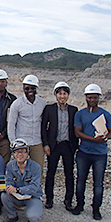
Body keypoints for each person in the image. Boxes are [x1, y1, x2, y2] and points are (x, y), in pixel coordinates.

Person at [72, 84, 111, 220]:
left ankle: (96, 208)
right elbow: (77, 132)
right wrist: (94, 139)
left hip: (100, 154)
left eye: (95, 97)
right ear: (86, 98)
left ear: (98, 98)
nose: (92, 100)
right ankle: (80, 205)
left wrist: (106, 137)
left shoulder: (105, 114)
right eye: (90, 97)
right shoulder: (80, 114)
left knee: (98, 183)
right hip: (84, 152)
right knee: (80, 181)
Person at [41, 82, 78, 211]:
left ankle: (68, 200)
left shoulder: (73, 110)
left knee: (69, 174)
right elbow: (44, 127)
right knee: (51, 173)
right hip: (54, 145)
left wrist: (75, 146)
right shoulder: (49, 109)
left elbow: (76, 129)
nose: (62, 96)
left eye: (64, 93)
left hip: (68, 146)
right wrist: (46, 144)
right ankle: (49, 198)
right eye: (60, 93)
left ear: (68, 95)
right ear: (56, 95)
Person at [1, 139, 43, 222]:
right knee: (4, 196)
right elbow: (9, 181)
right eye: (17, 152)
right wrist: (9, 187)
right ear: (13, 154)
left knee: (34, 219)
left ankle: (33, 210)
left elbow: (34, 187)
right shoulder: (10, 166)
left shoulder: (36, 167)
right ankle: (12, 216)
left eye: (23, 151)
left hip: (32, 197)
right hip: (17, 196)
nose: (20, 154)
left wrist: (17, 189)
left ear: (27, 153)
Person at [8, 74, 46, 170]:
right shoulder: (17, 104)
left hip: (37, 142)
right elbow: (11, 124)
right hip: (21, 143)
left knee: (38, 169)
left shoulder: (42, 103)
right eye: (27, 88)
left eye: (32, 88)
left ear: (36, 88)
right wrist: (13, 143)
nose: (29, 90)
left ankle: (36, 185)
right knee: (20, 171)